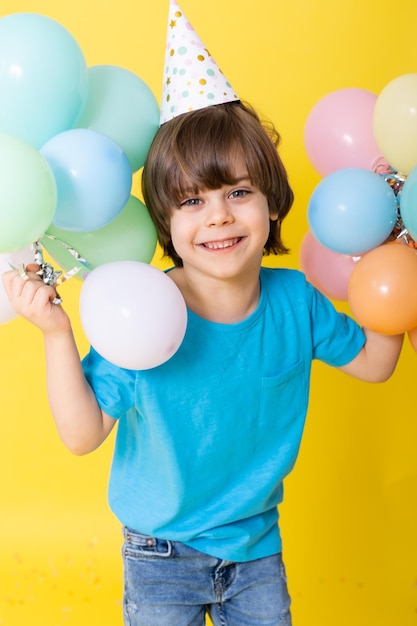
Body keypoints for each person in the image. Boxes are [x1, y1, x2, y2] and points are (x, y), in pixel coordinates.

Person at [2, 99, 404, 626]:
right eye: (192, 200)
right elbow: (82, 434)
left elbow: (376, 362)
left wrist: (391, 264)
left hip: (255, 542)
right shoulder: (141, 312)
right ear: (165, 220)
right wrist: (57, 334)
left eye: (238, 192)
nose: (219, 214)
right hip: (161, 553)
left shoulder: (296, 301)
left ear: (273, 205)